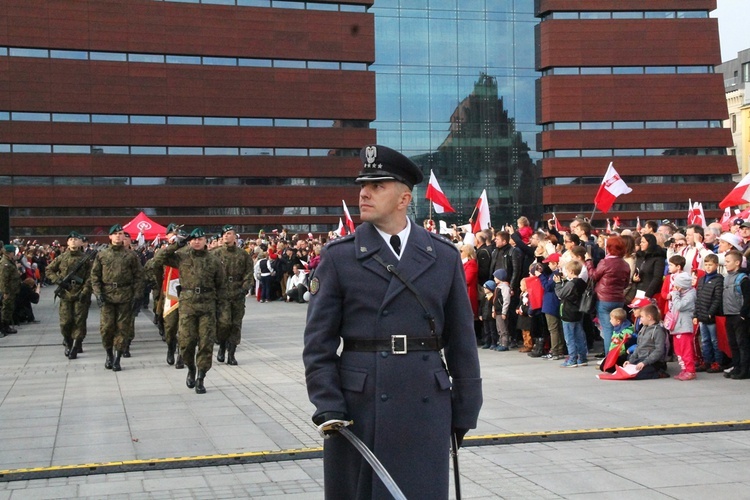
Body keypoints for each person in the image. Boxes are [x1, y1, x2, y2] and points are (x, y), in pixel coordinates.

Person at [302, 144, 482, 499]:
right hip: (360, 405)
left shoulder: (442, 255)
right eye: (362, 186)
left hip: (425, 400)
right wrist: (328, 403)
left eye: (377, 186)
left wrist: (466, 405)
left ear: (403, 199)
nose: (364, 193)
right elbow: (318, 344)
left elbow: (461, 339)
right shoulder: (340, 258)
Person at [153, 228, 225, 393]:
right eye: (193, 239)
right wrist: (175, 245)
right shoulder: (181, 256)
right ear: (189, 241)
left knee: (206, 343)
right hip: (188, 304)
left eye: (200, 239)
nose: (197, 242)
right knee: (186, 342)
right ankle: (191, 368)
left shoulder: (213, 260)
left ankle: (201, 376)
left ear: (205, 240)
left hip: (207, 306)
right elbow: (158, 260)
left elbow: (220, 285)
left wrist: (219, 309)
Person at [90, 225, 145, 371]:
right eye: (115, 234)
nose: (118, 236)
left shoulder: (131, 255)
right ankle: (109, 354)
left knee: (122, 328)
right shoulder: (102, 255)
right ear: (110, 237)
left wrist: (137, 295)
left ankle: (118, 357)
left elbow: (139, 276)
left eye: (120, 234)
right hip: (107, 296)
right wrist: (98, 293)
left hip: (125, 295)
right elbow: (95, 276)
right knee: (107, 328)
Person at [46, 231, 94, 359]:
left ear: (80, 242)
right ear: (67, 242)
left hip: (81, 293)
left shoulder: (86, 259)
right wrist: (58, 280)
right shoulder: (62, 257)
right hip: (65, 293)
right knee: (65, 322)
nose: (73, 241)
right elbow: (49, 270)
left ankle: (76, 345)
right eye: (70, 239)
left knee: (79, 321)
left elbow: (91, 276)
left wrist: (85, 290)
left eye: (76, 239)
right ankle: (68, 342)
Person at [213, 224, 254, 366]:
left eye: (229, 233)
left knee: (236, 325)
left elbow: (249, 273)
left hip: (237, 293)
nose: (226, 235)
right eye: (224, 233)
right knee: (224, 323)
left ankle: (231, 354)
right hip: (222, 294)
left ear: (235, 236)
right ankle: (222, 345)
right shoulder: (215, 254)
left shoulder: (243, 254)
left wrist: (245, 288)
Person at [592, 236, 631, 356]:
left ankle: (610, 357)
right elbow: (625, 283)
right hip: (618, 298)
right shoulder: (625, 264)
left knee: (607, 329)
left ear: (608, 248)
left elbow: (593, 276)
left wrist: (588, 263)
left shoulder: (605, 262)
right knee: (617, 329)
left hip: (604, 299)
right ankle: (618, 354)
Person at [721, 250, 750, 380]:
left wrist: (743, 314)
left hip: (739, 315)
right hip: (729, 314)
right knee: (732, 343)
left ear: (737, 263)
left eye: (728, 262)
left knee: (742, 343)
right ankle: (736, 366)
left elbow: (748, 297)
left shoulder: (743, 279)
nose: (725, 264)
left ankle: (745, 369)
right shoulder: (726, 278)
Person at [693, 253, 724, 373]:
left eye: (710, 265)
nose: (708, 267)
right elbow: (698, 298)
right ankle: (707, 361)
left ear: (716, 265)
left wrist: (711, 312)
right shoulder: (701, 280)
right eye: (706, 265)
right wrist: (696, 314)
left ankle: (718, 362)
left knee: (714, 340)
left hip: (711, 316)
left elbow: (717, 298)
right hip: (702, 314)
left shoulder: (718, 280)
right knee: (705, 340)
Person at [555, 260, 588, 367]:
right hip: (578, 310)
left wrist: (558, 284)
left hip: (568, 311)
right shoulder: (582, 282)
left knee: (569, 337)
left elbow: (560, 294)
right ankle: (582, 357)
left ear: (571, 271)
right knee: (579, 335)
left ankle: (572, 359)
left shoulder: (571, 284)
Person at [623, 304, 669, 380]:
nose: (640, 319)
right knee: (627, 370)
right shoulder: (643, 328)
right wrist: (630, 361)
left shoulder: (658, 331)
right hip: (642, 358)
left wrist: (645, 362)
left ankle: (659, 373)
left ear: (649, 317)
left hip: (654, 361)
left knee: (637, 375)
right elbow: (639, 346)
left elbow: (659, 350)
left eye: (642, 317)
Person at [666, 272, 697, 380]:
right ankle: (684, 369)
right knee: (679, 351)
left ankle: (690, 370)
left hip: (684, 327)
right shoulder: (681, 294)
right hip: (677, 327)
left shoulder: (690, 295)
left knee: (686, 350)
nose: (675, 287)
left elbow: (680, 306)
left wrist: (675, 295)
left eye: (677, 285)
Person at [0, 244, 21, 335]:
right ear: (9, 253)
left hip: (12, 289)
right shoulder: (5, 263)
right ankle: (4, 327)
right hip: (8, 291)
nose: (14, 254)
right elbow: (3, 279)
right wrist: (5, 292)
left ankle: (6, 325)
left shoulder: (9, 261)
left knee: (9, 308)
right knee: (6, 308)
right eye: (13, 252)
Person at [492, 269, 511, 351]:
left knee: (503, 328)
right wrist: (494, 310)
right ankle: (500, 342)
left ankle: (505, 343)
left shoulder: (504, 288)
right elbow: (494, 300)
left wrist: (504, 312)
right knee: (499, 328)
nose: (494, 279)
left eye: (495, 277)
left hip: (501, 311)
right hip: (497, 311)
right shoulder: (498, 287)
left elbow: (506, 300)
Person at [479, 280, 498, 349]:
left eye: (485, 288)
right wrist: (480, 314)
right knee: (486, 330)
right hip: (485, 316)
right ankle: (487, 342)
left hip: (491, 316)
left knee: (492, 330)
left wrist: (494, 312)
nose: (484, 289)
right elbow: (481, 307)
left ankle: (494, 342)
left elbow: (494, 306)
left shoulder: (493, 297)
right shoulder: (484, 297)